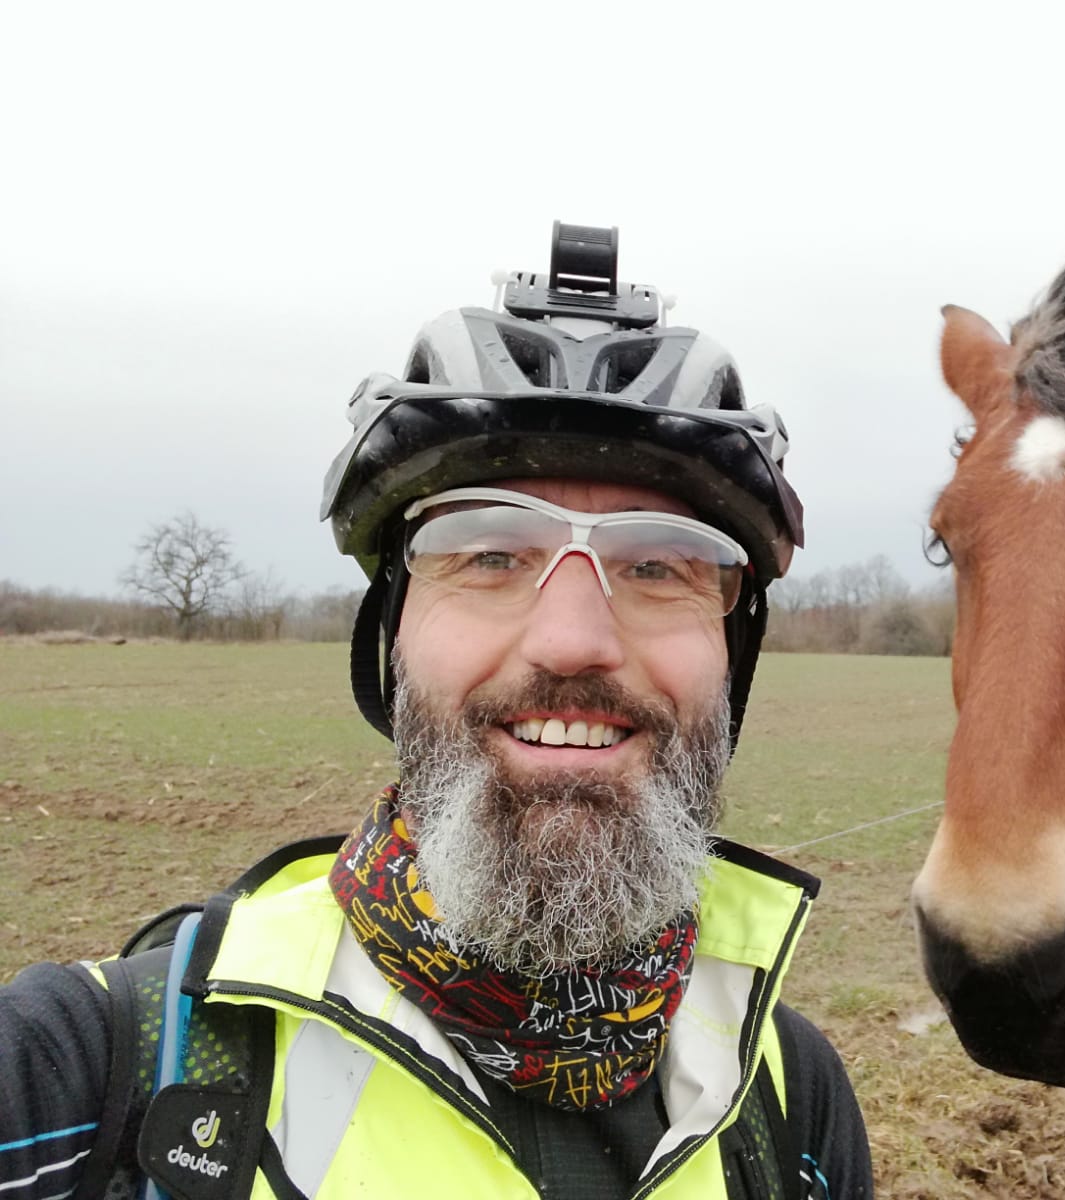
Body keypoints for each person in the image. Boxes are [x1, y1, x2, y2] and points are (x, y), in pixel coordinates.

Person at [0, 223, 873, 1199]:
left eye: (659, 564)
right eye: (490, 553)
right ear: (391, 634)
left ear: (733, 657)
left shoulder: (794, 1104)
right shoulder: (94, 1071)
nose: (572, 638)